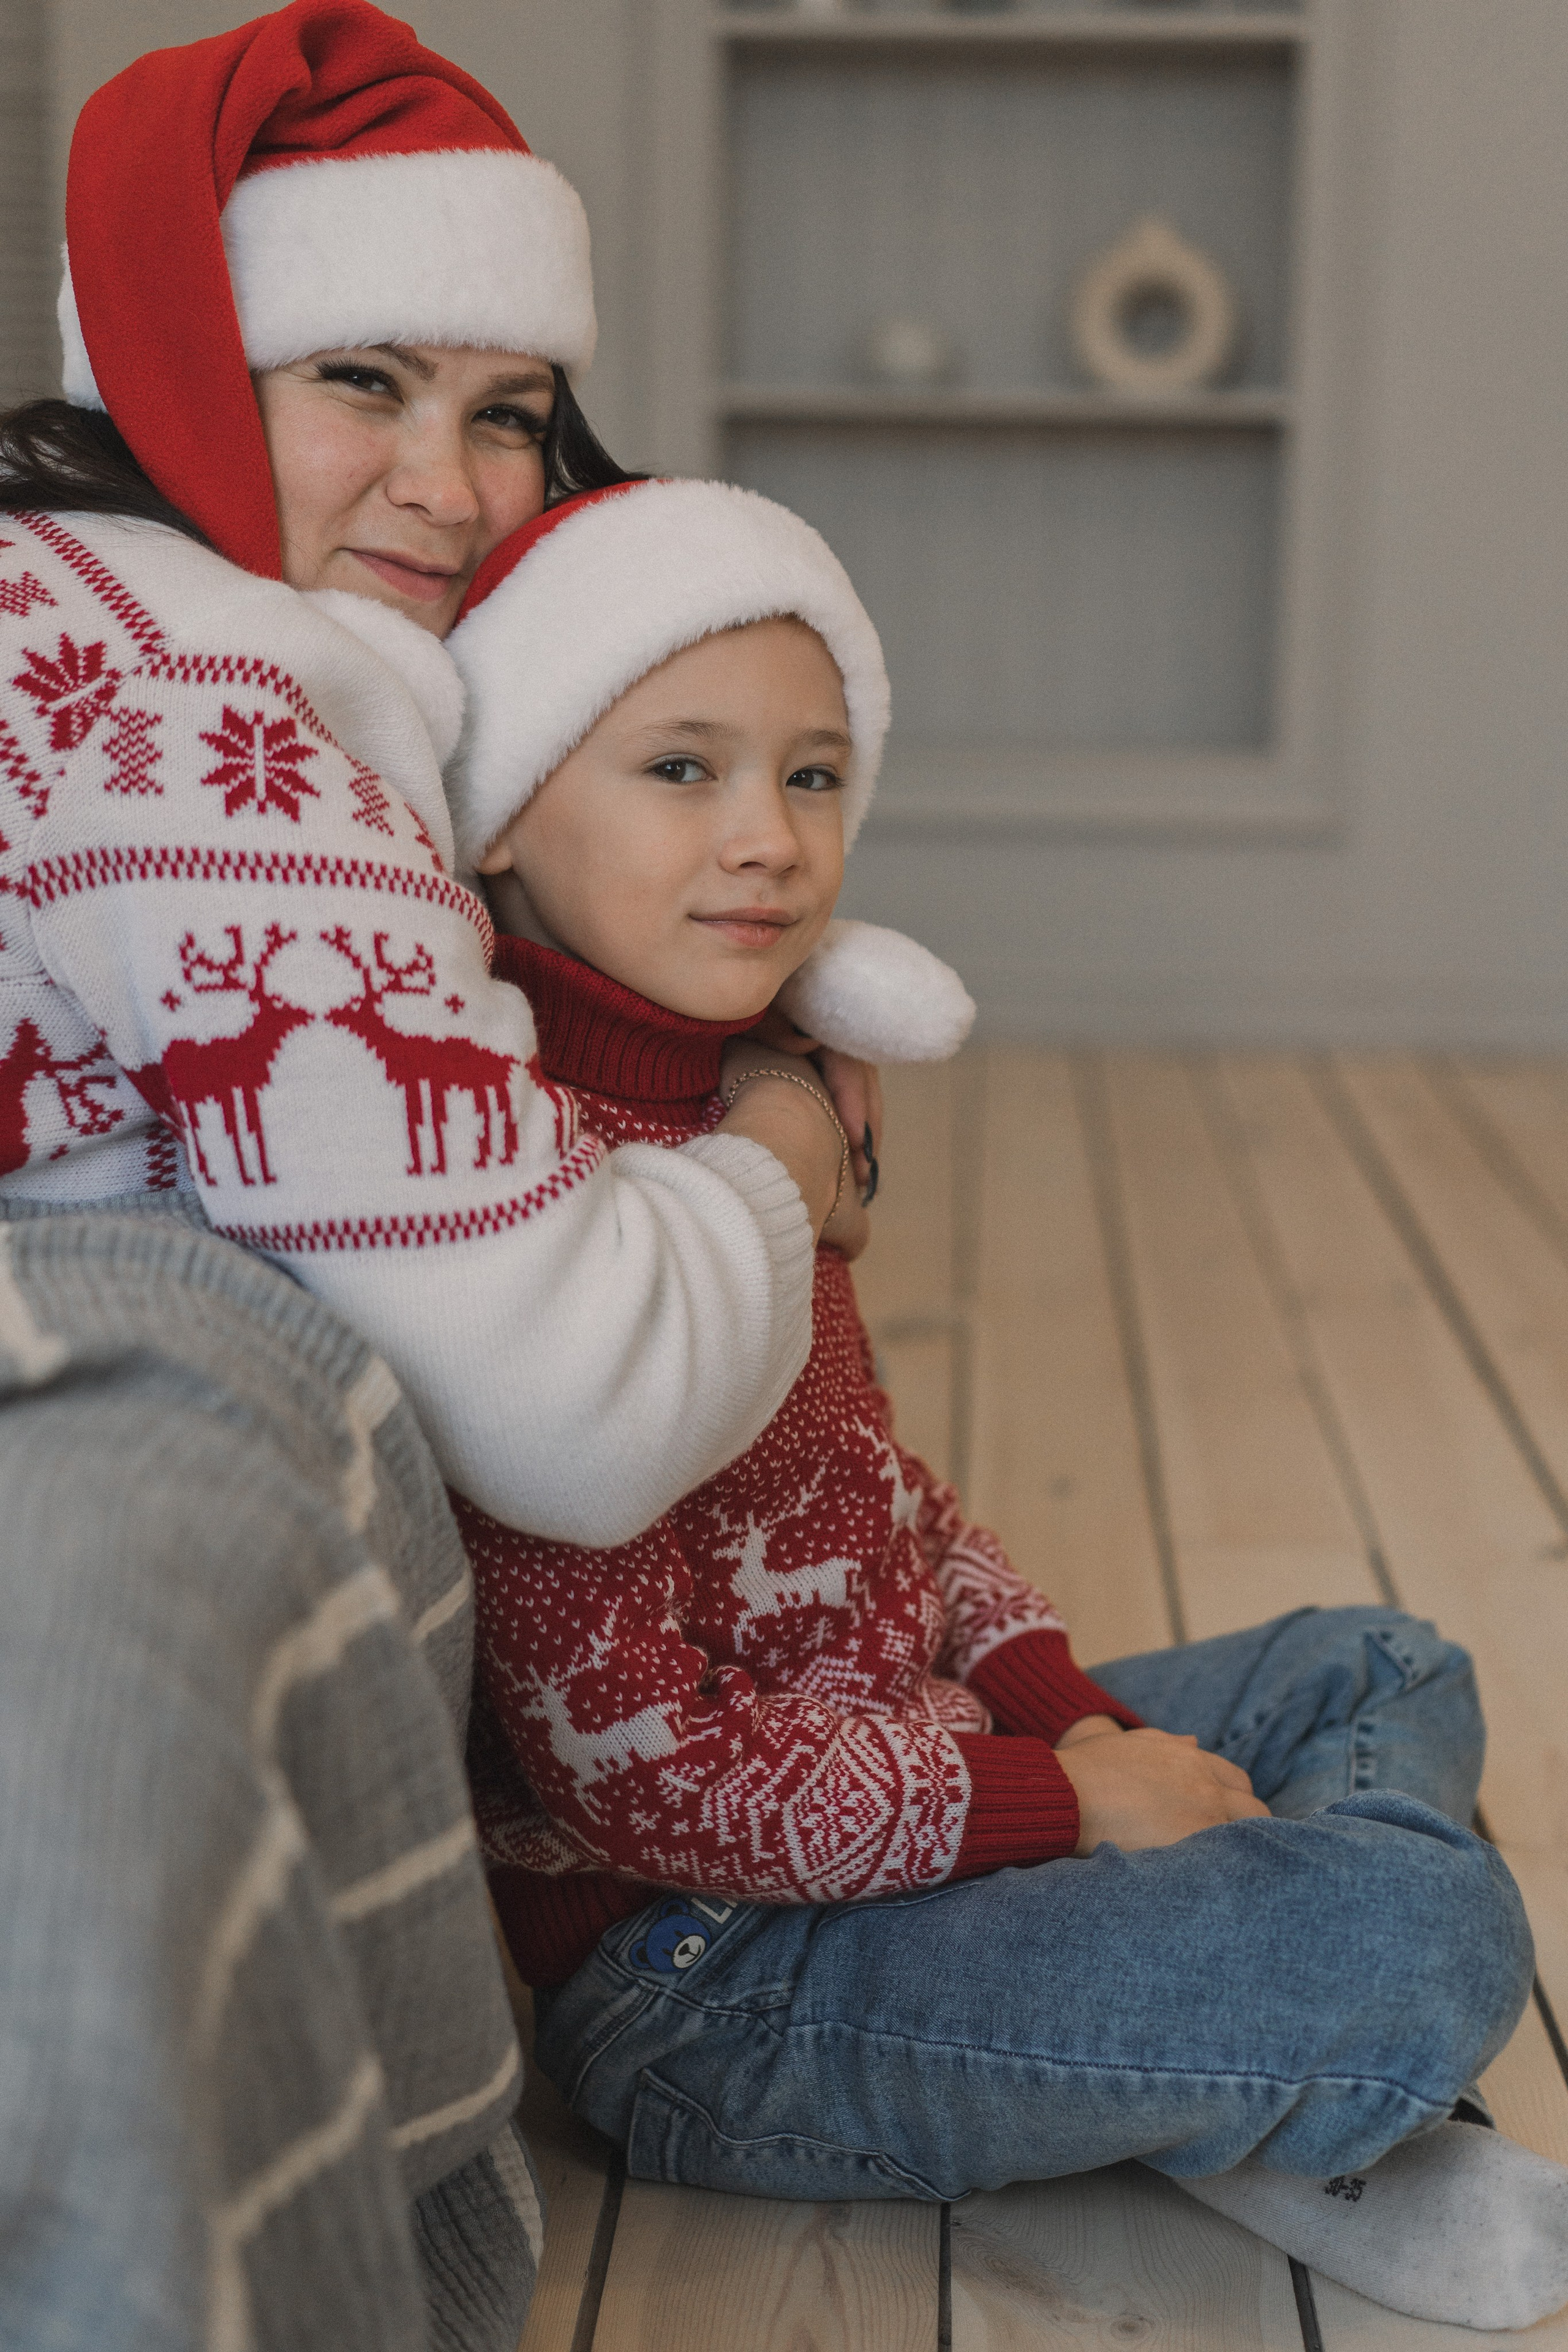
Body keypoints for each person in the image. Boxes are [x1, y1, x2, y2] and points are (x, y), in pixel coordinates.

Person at [440, 475, 1567, 2334]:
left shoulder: (769, 1114)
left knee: (1387, 1666)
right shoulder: (537, 1208)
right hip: (712, 1975)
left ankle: (1245, 2073)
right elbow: (646, 1777)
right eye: (679, 770)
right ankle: (1307, 2093)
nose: (769, 839)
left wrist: (1077, 1723)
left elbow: (888, 1504)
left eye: (811, 777)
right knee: (1429, 1933)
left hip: (922, 1760)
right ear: (506, 819)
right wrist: (1067, 1802)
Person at [0, 9, 872, 2347]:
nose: (458, 486)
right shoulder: (199, 715)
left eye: (506, 411)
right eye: (360, 381)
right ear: (189, 358)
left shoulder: (70, 597)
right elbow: (572, 1405)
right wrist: (783, 1155)